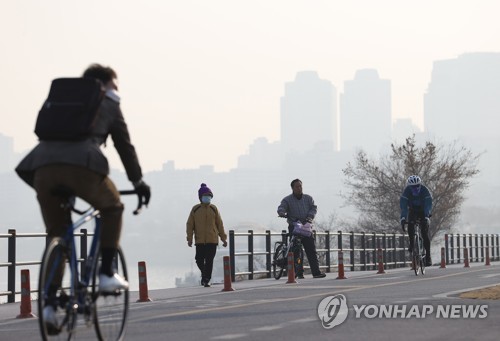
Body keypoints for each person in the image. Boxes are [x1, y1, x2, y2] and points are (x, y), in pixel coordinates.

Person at [15, 64, 151, 326]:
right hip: (82, 167)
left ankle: (49, 305)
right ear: (106, 84)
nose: (117, 91)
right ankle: (107, 272)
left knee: (57, 234)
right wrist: (138, 181)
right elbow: (124, 145)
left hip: (41, 168)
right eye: (116, 86)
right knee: (113, 208)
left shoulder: (64, 100)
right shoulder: (108, 102)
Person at [277, 179, 326, 278]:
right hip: (294, 226)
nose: (299, 188)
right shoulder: (287, 200)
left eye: (300, 186)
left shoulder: (308, 198)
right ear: (292, 188)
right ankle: (298, 272)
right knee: (295, 250)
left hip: (306, 226)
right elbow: (281, 207)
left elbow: (313, 208)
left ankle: (316, 272)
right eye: (297, 187)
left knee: (311, 249)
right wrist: (282, 213)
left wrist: (310, 217)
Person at [186, 183, 227, 287]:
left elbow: (219, 224)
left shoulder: (214, 209)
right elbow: (190, 224)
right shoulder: (195, 209)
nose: (207, 198)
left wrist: (223, 238)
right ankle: (205, 274)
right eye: (205, 196)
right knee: (198, 259)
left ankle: (206, 280)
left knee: (209, 261)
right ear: (200, 198)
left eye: (209, 196)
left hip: (212, 240)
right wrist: (189, 238)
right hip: (199, 240)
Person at [400, 175, 433, 266]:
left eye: (417, 186)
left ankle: (428, 256)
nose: (415, 189)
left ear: (420, 185)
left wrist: (426, 217)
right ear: (409, 187)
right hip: (413, 210)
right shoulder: (406, 192)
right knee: (410, 225)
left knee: (424, 233)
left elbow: (428, 205)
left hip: (423, 211)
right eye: (413, 187)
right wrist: (403, 219)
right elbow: (404, 207)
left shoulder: (425, 191)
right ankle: (412, 243)